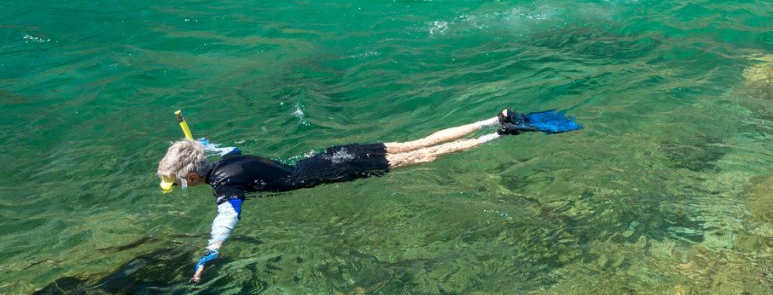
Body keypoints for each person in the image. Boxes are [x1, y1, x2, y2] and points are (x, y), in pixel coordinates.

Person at [157, 108, 575, 282]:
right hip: (336, 152)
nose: (183, 186)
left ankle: (499, 135)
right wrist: (201, 143)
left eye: (180, 180)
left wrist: (213, 248)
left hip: (338, 169)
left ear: (191, 175)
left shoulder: (224, 184)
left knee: (427, 156)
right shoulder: (230, 157)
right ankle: (493, 117)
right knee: (420, 140)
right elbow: (216, 145)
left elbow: (227, 216)